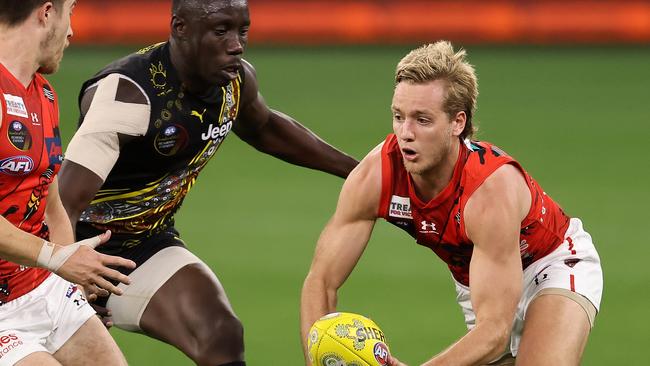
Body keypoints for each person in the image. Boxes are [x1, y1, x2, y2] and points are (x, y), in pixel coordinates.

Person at [57, 0, 358, 365]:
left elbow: (263, 127)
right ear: (180, 28)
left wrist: (359, 172)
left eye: (242, 30)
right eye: (221, 31)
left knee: (220, 334)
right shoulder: (128, 95)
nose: (236, 44)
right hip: (75, 247)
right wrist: (68, 289)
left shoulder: (235, 82)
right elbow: (63, 203)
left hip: (147, 244)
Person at [300, 41, 603, 366]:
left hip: (551, 264)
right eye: (398, 116)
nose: (405, 133)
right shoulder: (376, 176)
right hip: (483, 283)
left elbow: (495, 329)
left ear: (457, 123)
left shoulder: (489, 191)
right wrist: (320, 354)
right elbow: (321, 281)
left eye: (422, 120)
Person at [0, 1, 137, 365]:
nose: (72, 30)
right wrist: (58, 258)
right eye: (71, 10)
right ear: (47, 13)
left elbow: (51, 202)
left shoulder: (43, 94)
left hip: (43, 289)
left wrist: (71, 279)